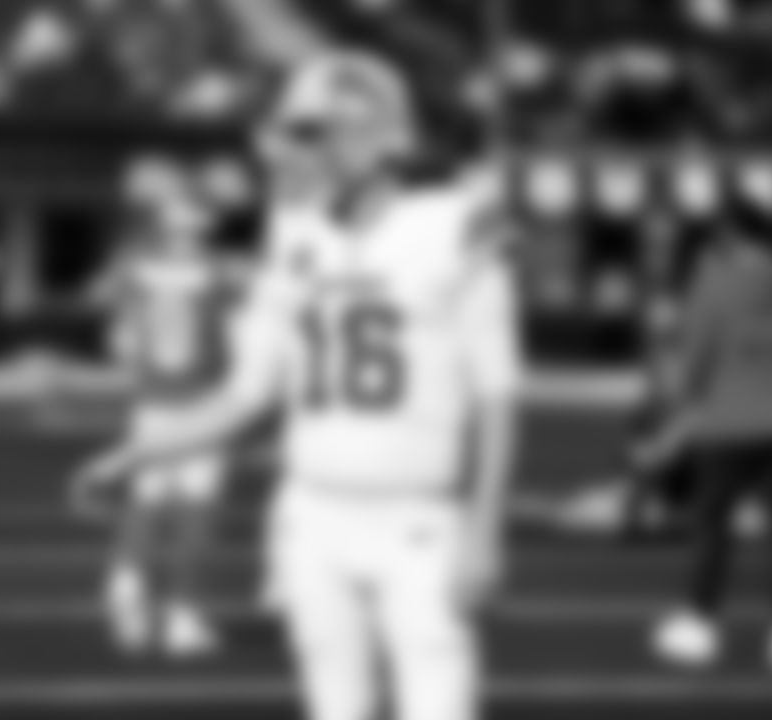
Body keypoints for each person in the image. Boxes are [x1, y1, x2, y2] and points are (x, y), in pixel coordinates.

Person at [75, 49, 522, 720]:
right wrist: (137, 455)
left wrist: (485, 528)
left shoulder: (453, 228)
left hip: (418, 518)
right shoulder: (294, 245)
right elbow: (244, 397)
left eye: (329, 132)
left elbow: (497, 393)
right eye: (304, 134)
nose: (309, 151)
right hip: (311, 518)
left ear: (386, 138)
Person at [641, 179, 772, 673]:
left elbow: (696, 357)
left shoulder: (712, 279)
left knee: (711, 531)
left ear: (728, 233)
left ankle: (701, 624)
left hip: (726, 423)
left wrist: (675, 412)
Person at [81, 156, 239, 658]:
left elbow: (100, 303)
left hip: (152, 403)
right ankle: (182, 613)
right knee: (197, 510)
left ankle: (126, 584)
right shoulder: (220, 273)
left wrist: (127, 311)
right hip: (202, 402)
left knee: (148, 503)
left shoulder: (135, 267)